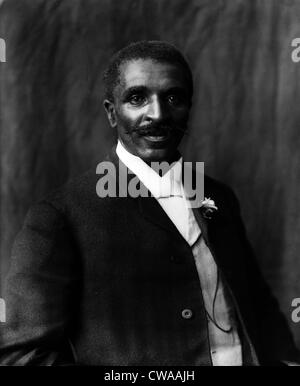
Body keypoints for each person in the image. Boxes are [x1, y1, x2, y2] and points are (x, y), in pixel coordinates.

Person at [0, 40, 299, 366]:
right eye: (137, 98)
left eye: (173, 97)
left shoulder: (219, 197)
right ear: (112, 112)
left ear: (189, 107)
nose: (157, 114)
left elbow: (258, 305)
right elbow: (26, 356)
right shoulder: (59, 217)